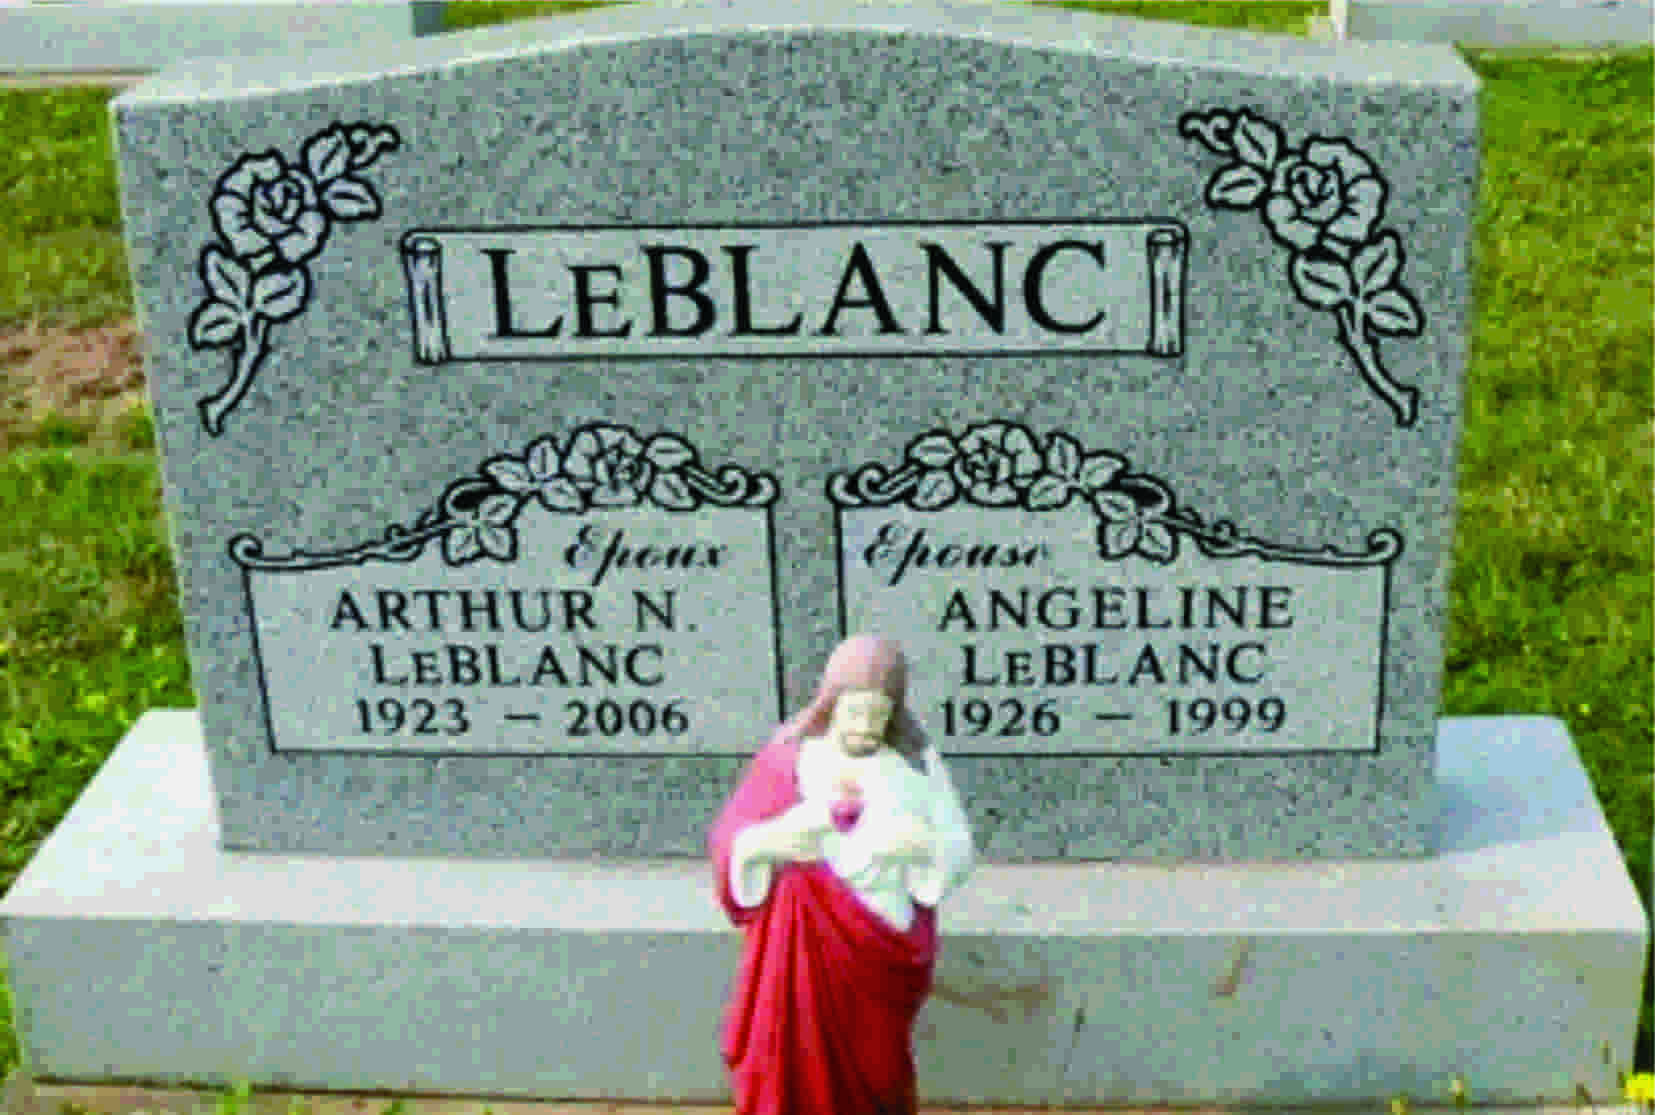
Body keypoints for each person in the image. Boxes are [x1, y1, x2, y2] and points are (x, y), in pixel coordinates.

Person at [709, 635, 975, 1115]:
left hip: (882, 946)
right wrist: (769, 844)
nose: (865, 726)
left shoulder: (917, 764)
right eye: (855, 712)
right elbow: (732, 838)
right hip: (803, 942)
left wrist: (923, 848)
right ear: (831, 704)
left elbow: (958, 846)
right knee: (794, 1054)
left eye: (878, 715)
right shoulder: (789, 758)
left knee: (880, 1066)